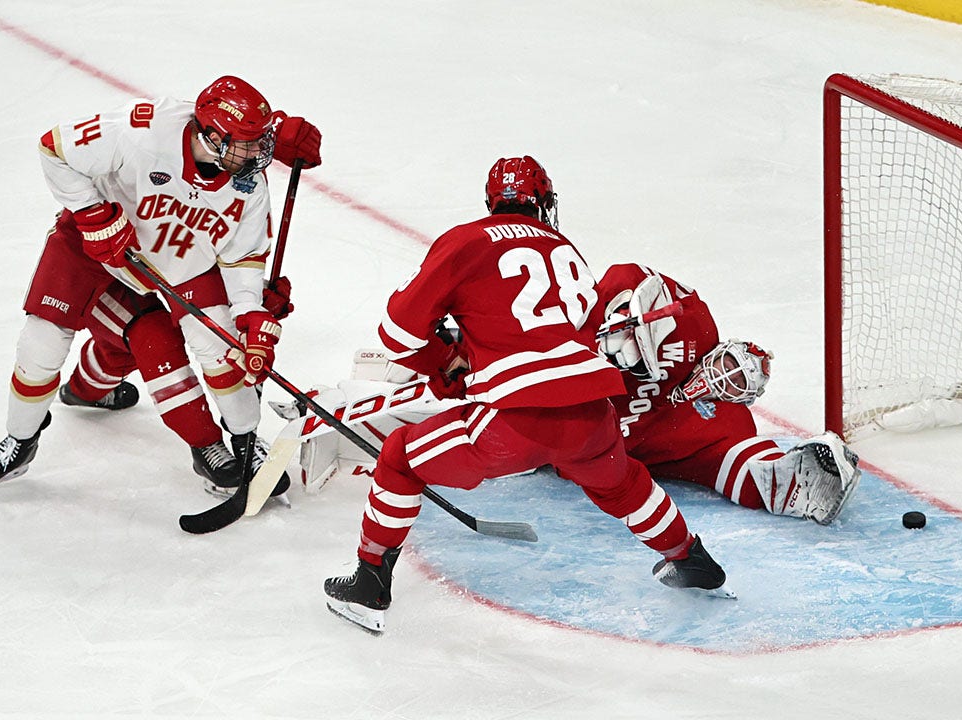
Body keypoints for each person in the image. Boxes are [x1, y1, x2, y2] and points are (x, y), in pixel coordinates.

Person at [321, 156, 728, 634]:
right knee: (621, 483)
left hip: (513, 422)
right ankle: (690, 558)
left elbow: (396, 336)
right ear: (544, 203)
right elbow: (559, 336)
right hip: (592, 417)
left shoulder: (467, 240)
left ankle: (369, 582)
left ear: (493, 203)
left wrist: (444, 361)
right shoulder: (566, 248)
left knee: (399, 458)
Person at [0, 75, 322, 497]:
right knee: (40, 343)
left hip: (184, 262)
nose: (256, 155)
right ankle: (20, 441)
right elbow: (54, 147)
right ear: (211, 133)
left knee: (223, 346)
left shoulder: (248, 185)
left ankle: (244, 439)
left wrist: (252, 314)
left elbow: (241, 260)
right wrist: (92, 213)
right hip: (94, 245)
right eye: (245, 143)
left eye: (259, 142)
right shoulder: (143, 129)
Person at [297, 263, 863, 525]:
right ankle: (335, 407)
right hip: (538, 402)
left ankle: (347, 426)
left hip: (572, 442)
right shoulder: (611, 290)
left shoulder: (711, 414)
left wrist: (792, 473)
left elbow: (736, 462)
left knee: (456, 433)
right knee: (452, 401)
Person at [592, 263, 862, 524]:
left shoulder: (725, 423)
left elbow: (752, 470)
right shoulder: (695, 327)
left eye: (736, 383)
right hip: (562, 372)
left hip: (575, 448)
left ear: (740, 399)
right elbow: (628, 273)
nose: (724, 378)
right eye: (730, 366)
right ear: (720, 350)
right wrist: (623, 315)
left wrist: (797, 479)